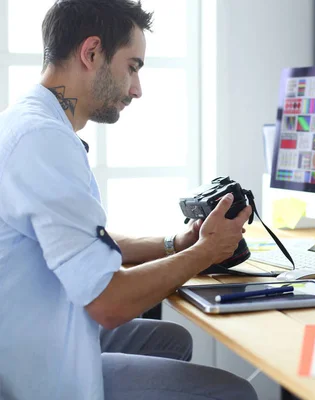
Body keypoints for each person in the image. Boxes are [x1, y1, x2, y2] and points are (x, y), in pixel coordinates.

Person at [0, 1, 258, 399]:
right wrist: (207, 252)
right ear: (91, 53)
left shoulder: (29, 121)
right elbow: (109, 305)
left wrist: (177, 244)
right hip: (41, 375)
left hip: (41, 328)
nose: (137, 88)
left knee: (170, 340)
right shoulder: (43, 141)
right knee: (235, 393)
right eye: (133, 66)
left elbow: (83, 241)